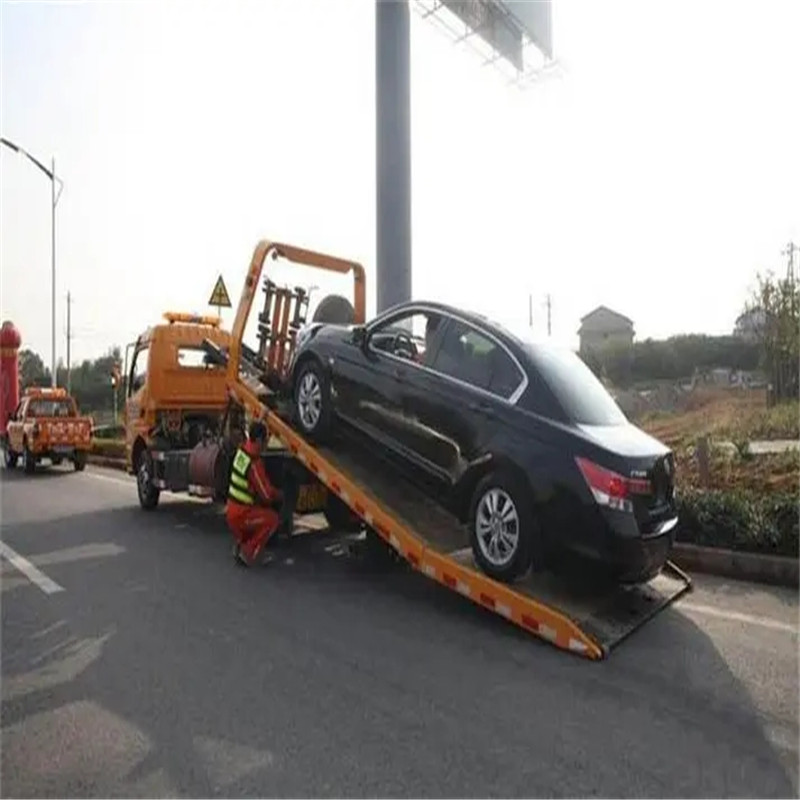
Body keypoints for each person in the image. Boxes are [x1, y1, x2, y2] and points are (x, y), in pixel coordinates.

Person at [226, 419, 285, 566]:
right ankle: (249, 552)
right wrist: (280, 495)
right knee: (272, 520)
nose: (266, 445)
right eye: (265, 441)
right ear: (258, 440)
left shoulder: (242, 451)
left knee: (258, 512)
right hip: (241, 515)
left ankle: (241, 544)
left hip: (232, 511)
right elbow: (266, 495)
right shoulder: (253, 463)